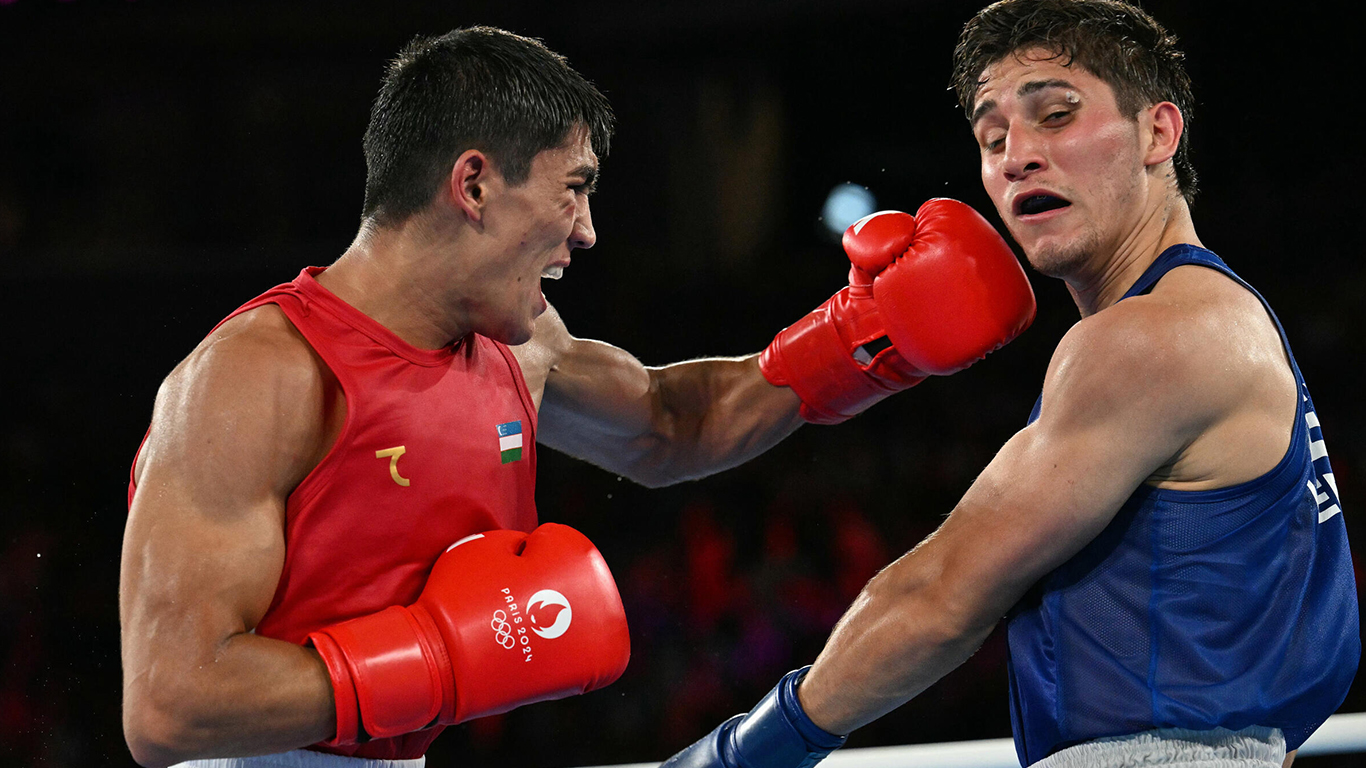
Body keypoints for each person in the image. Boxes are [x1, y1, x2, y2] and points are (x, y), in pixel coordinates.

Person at [118, 25, 1037, 768]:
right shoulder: (257, 375)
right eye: (573, 190)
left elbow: (678, 423)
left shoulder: (520, 347)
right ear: (473, 184)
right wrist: (442, 657)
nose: (589, 232)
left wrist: (865, 341)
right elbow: (169, 703)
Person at [662, 1, 1360, 767]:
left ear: (1158, 133)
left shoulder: (1152, 338)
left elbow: (942, 593)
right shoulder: (1222, 316)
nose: (1017, 156)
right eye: (993, 138)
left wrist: (738, 754)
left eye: (1056, 116)